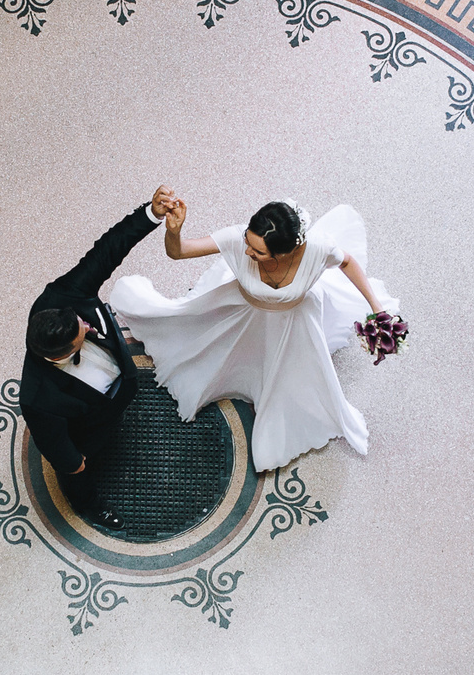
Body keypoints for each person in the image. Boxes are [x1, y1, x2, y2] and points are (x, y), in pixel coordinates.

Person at [111, 197, 398, 472]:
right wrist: (174, 232)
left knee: (291, 380)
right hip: (243, 313)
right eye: (249, 242)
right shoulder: (238, 239)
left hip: (295, 322)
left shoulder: (319, 249)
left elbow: (347, 262)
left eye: (258, 252)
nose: (247, 251)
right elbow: (179, 252)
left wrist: (377, 309)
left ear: (287, 252)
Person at [19, 186, 175, 530]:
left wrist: (149, 213)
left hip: (119, 390)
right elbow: (65, 457)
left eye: (82, 321)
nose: (90, 325)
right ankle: (89, 506)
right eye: (82, 333)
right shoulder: (37, 399)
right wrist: (78, 464)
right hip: (90, 429)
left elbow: (106, 251)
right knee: (77, 473)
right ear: (64, 353)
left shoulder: (63, 296)